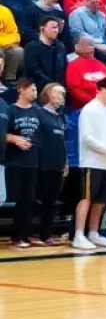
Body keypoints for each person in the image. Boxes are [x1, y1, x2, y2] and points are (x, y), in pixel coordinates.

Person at [74, 75, 106, 251]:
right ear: (101, 90)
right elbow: (87, 137)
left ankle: (94, 233)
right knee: (86, 197)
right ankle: (79, 234)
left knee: (100, 200)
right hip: (90, 161)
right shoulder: (89, 109)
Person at [6, 79, 43, 249]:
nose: (35, 93)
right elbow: (3, 133)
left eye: (36, 90)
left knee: (29, 199)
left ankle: (26, 234)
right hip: (15, 160)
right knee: (17, 199)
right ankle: (16, 236)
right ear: (21, 89)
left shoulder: (38, 111)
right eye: (32, 89)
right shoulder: (11, 110)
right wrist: (14, 139)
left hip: (33, 160)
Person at [36, 83, 68, 247]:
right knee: (41, 200)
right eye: (59, 94)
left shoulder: (60, 117)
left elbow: (63, 141)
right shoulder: (39, 113)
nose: (62, 97)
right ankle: (33, 234)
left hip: (57, 165)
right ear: (48, 94)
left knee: (52, 202)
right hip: (43, 165)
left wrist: (66, 162)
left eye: (63, 94)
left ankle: (47, 234)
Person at [24, 15, 66, 91]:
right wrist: (50, 85)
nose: (56, 30)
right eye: (53, 27)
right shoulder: (32, 47)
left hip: (58, 88)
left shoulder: (60, 46)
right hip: (39, 88)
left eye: (57, 28)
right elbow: (33, 70)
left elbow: (63, 69)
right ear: (42, 28)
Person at [0, 0, 23, 84]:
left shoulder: (5, 11)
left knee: (18, 51)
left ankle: (8, 80)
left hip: (5, 45)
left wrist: (3, 43)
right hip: (3, 44)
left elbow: (15, 35)